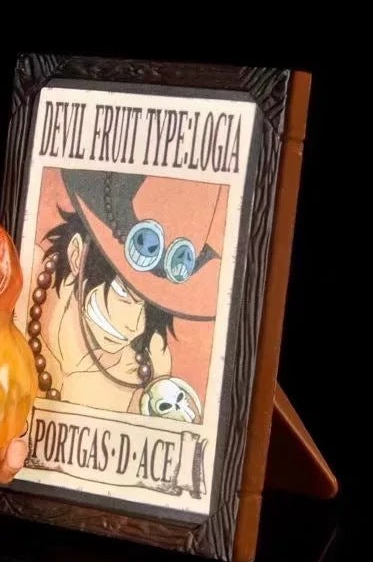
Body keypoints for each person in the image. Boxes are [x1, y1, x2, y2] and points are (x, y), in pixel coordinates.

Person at [24, 169, 227, 420]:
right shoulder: (21, 280)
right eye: (124, 293)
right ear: (77, 254)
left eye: (150, 305)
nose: (136, 326)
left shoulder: (151, 366)